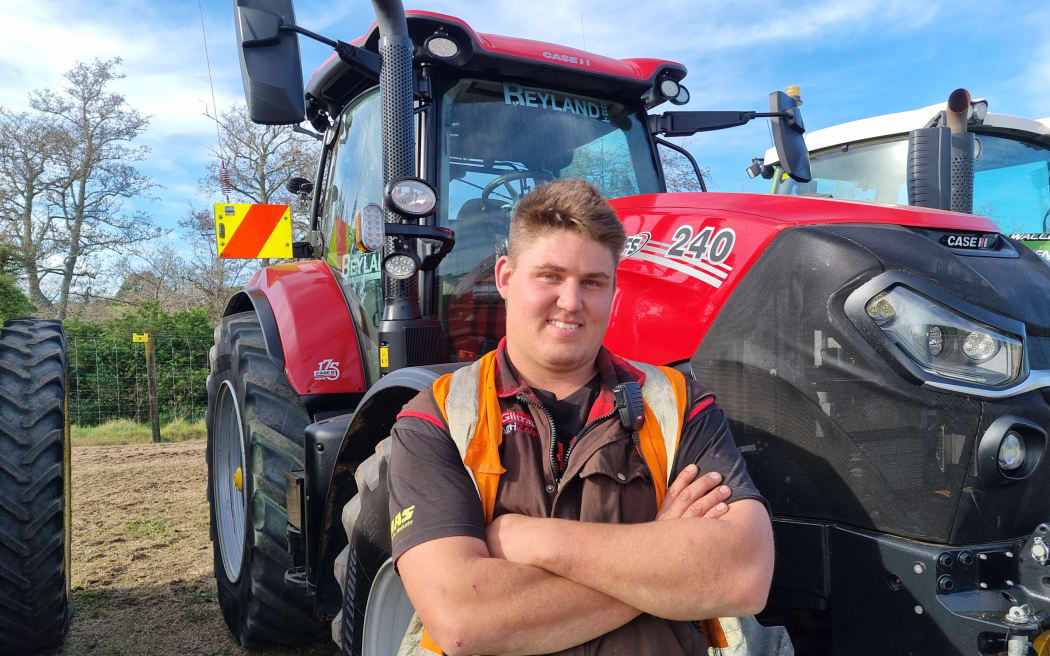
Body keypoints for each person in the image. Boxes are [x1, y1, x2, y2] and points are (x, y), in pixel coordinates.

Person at [389, 178, 775, 655]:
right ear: (506, 277)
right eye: (550, 276)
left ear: (614, 290)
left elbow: (743, 575)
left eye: (592, 282)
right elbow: (464, 620)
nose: (571, 302)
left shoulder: (678, 405)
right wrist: (662, 562)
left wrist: (534, 540)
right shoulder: (438, 418)